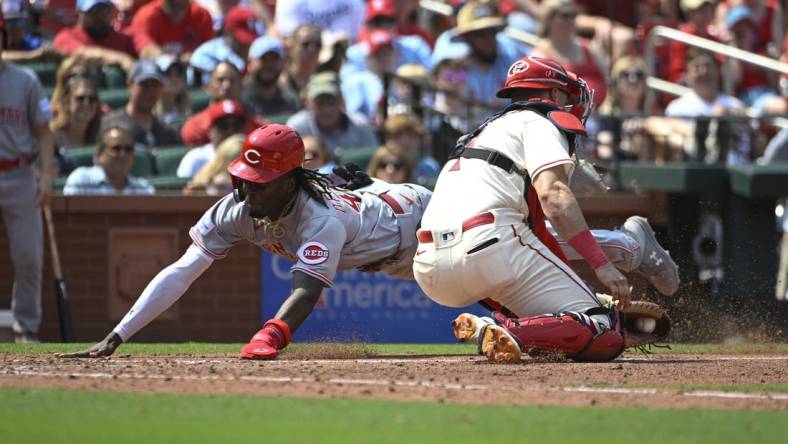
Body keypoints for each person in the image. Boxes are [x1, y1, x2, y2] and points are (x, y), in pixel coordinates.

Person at [57, 123, 433, 359]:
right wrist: (117, 336)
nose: (247, 190)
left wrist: (269, 336)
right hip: (380, 245)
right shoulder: (237, 208)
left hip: (417, 222)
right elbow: (183, 270)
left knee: (458, 276)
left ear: (288, 183)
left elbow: (305, 294)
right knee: (449, 282)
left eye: (259, 182)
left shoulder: (321, 220)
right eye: (243, 178)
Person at [412, 56, 678, 363]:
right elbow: (553, 196)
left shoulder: (479, 133)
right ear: (553, 95)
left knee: (566, 318)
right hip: (490, 249)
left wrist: (582, 292)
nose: (570, 103)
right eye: (566, 95)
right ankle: (495, 328)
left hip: (431, 269)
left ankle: (496, 329)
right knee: (603, 330)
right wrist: (601, 266)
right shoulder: (537, 121)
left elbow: (537, 234)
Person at [0, 15, 55, 343]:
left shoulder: (25, 80)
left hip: (19, 173)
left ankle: (26, 327)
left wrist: (46, 175)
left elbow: (44, 132)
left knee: (29, 256)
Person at [531, 0, 608, 110]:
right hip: (564, 117)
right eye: (565, 16)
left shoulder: (590, 48)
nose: (571, 21)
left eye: (573, 16)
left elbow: (609, 80)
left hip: (602, 113)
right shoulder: (539, 55)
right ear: (549, 20)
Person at [286, 71, 378, 155]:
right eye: (320, 102)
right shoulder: (296, 129)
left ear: (342, 101)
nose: (326, 108)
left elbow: (372, 161)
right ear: (308, 102)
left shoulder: (360, 126)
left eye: (332, 101)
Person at [102, 59, 181, 148]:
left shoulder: (167, 132)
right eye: (144, 85)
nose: (150, 91)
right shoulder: (110, 125)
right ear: (130, 85)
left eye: (154, 85)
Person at [52, 0, 152, 70]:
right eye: (93, 11)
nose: (99, 16)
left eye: (104, 9)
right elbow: (82, 53)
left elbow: (148, 50)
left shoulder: (125, 35)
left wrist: (161, 59)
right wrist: (122, 59)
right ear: (78, 13)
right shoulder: (66, 36)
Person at [62, 120, 155, 195]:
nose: (123, 154)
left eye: (128, 149)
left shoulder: (144, 189)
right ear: (99, 153)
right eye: (116, 148)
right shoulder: (82, 180)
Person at [178, 99, 246, 180]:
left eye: (237, 125)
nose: (230, 131)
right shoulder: (195, 158)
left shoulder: (251, 157)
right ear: (210, 131)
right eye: (223, 125)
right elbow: (183, 190)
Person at [241, 35, 300, 118]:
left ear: (282, 63)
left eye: (274, 59)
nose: (269, 65)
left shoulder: (291, 101)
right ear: (250, 62)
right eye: (263, 59)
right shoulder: (238, 97)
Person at [131, 0, 214, 58]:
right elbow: (146, 52)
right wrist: (178, 59)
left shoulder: (201, 16)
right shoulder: (146, 16)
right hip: (156, 74)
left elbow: (209, 52)